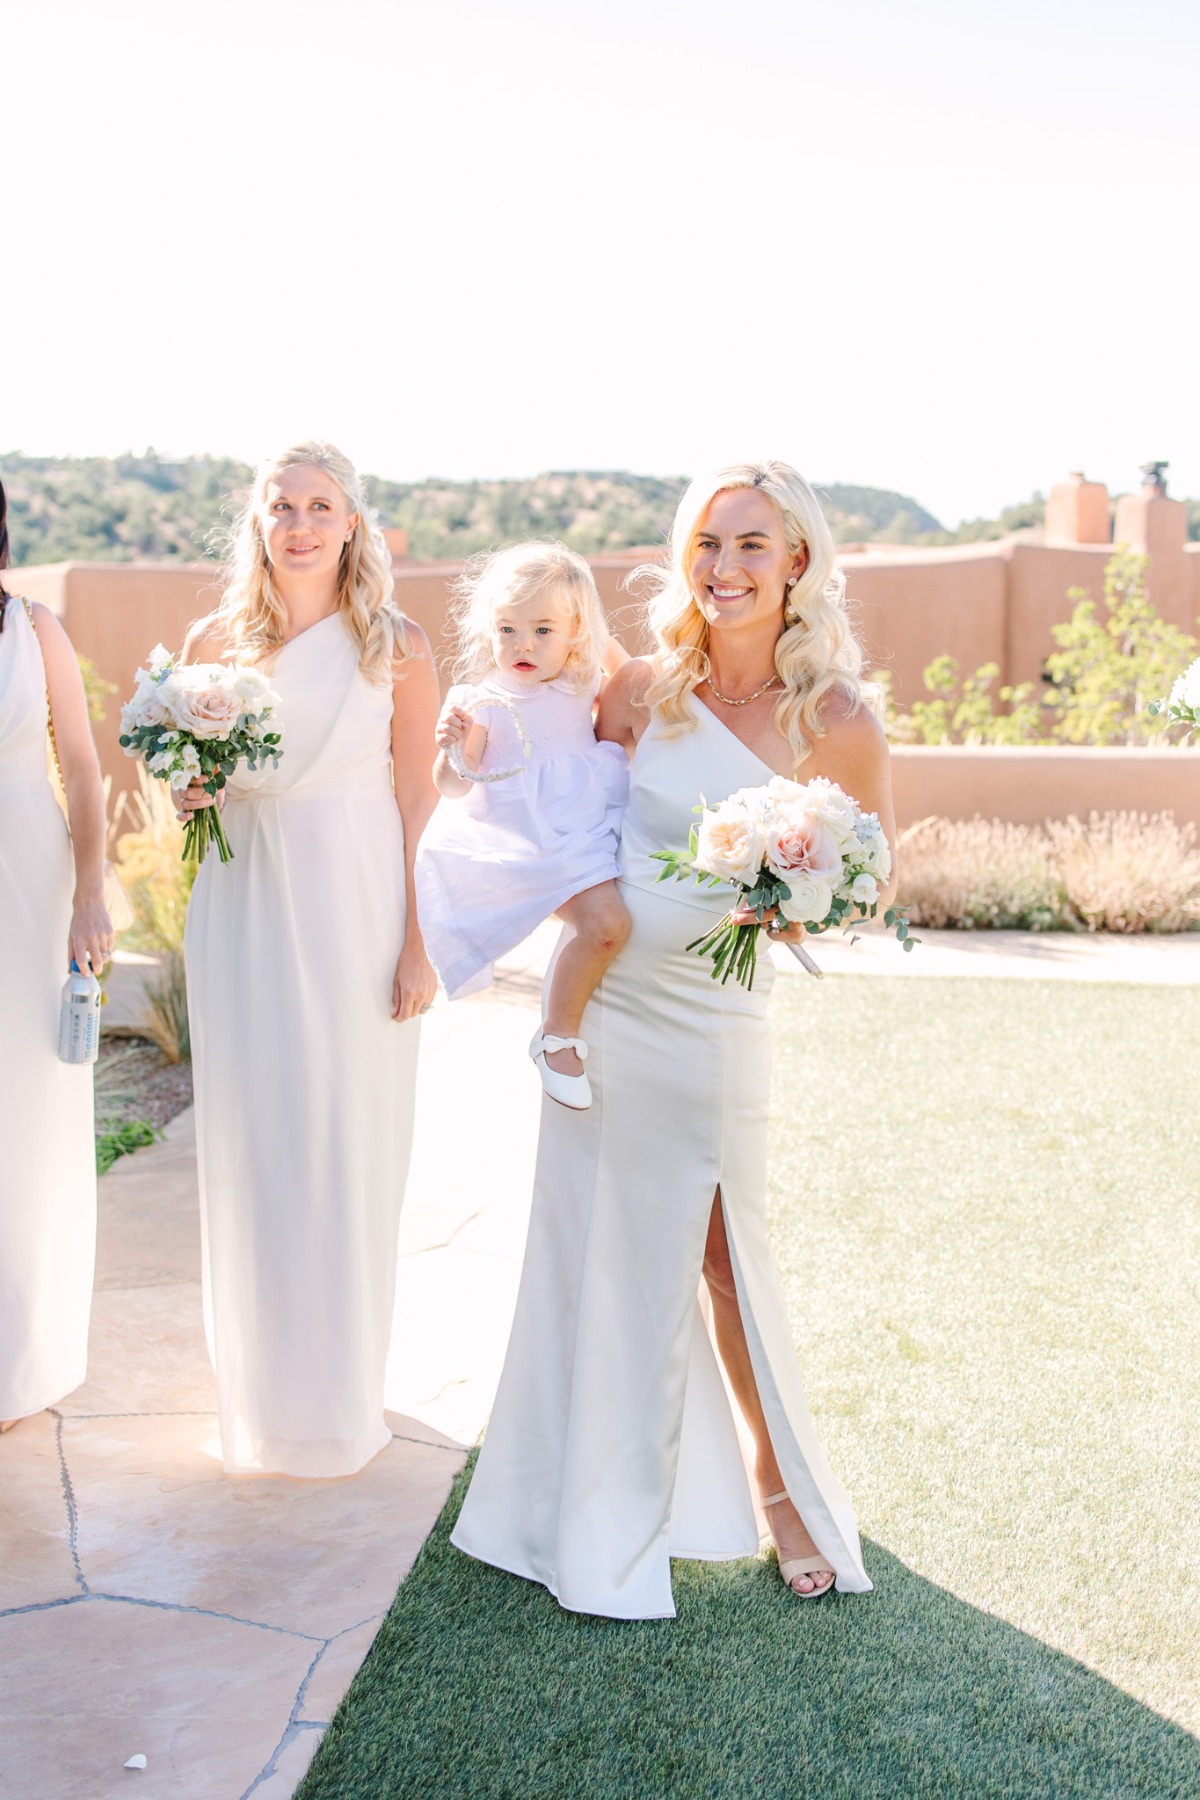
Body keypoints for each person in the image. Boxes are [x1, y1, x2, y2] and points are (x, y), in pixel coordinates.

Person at [452, 460, 894, 1615]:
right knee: (589, 1247)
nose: (725, 568)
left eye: (752, 545)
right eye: (708, 543)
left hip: (713, 1023)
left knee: (718, 1251)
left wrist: (790, 895)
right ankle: (575, 1505)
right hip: (604, 1021)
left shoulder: (837, 720)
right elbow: (562, 832)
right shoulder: (637, 691)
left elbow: (868, 887)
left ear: (798, 560)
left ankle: (776, 1486)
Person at [178, 441, 439, 1477]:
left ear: (351, 525)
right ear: (258, 520)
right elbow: (190, 780)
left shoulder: (399, 645)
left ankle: (337, 1403)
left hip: (357, 902)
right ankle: (258, 1402)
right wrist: (190, 792)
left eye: (320, 506)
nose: (299, 523)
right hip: (243, 896)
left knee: (344, 1138)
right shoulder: (212, 639)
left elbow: (419, 796)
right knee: (256, 1142)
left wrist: (420, 937)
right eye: (281, 505)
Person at [416, 542, 630, 1109]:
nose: (523, 646)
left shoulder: (583, 679)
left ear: (575, 632)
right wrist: (453, 748)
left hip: (585, 824)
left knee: (610, 925)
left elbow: (633, 676)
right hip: (525, 841)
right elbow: (453, 786)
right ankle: (558, 1037)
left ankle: (562, 1030)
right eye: (508, 629)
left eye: (542, 630)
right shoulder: (481, 699)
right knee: (607, 921)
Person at [0, 476, 112, 1431]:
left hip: (25, 882)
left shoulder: (35, 628)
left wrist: (90, 893)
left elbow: (79, 763)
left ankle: (15, 1359)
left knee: (24, 1103)